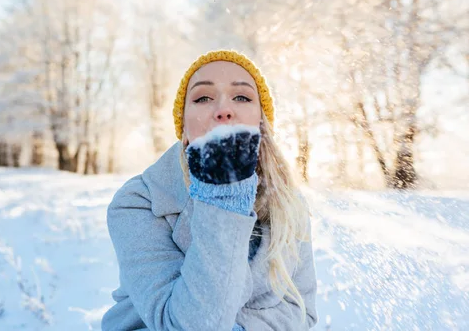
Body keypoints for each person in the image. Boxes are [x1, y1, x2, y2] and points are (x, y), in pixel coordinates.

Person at [101, 50, 318, 330]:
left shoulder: (289, 205)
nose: (223, 110)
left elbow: (300, 310)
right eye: (203, 98)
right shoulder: (139, 202)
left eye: (242, 97)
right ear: (185, 129)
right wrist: (224, 200)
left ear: (262, 124)